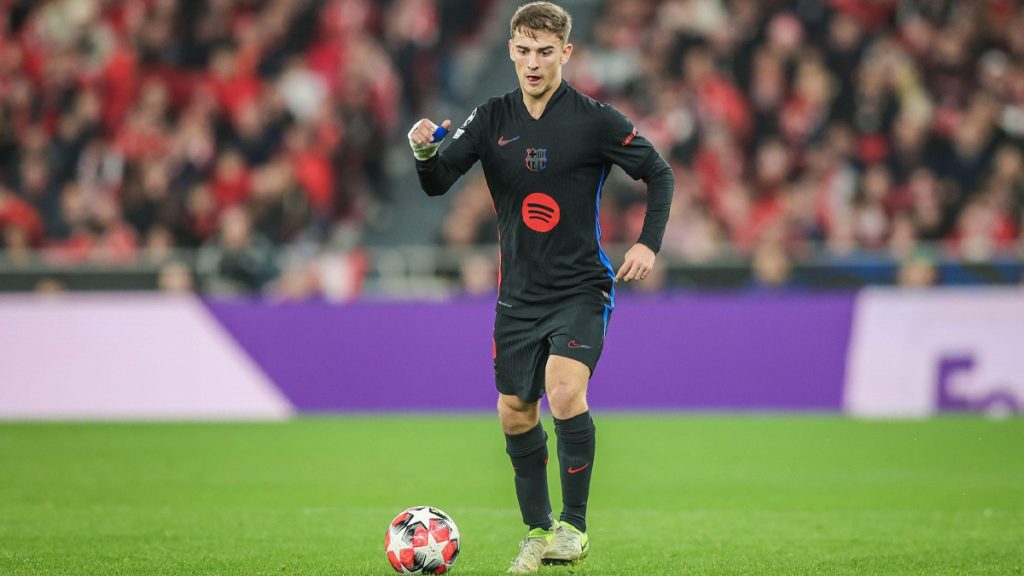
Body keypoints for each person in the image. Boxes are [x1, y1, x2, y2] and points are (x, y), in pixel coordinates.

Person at [408, 2, 674, 573]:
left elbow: (658, 172)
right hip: (518, 297)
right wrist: (424, 151)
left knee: (564, 389)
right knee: (514, 411)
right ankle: (537, 530)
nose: (533, 63)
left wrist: (647, 243)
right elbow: (437, 183)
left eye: (545, 52)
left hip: (581, 288)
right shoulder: (491, 118)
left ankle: (573, 529)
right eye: (525, 50)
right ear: (510, 49)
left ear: (566, 53)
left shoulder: (595, 120)